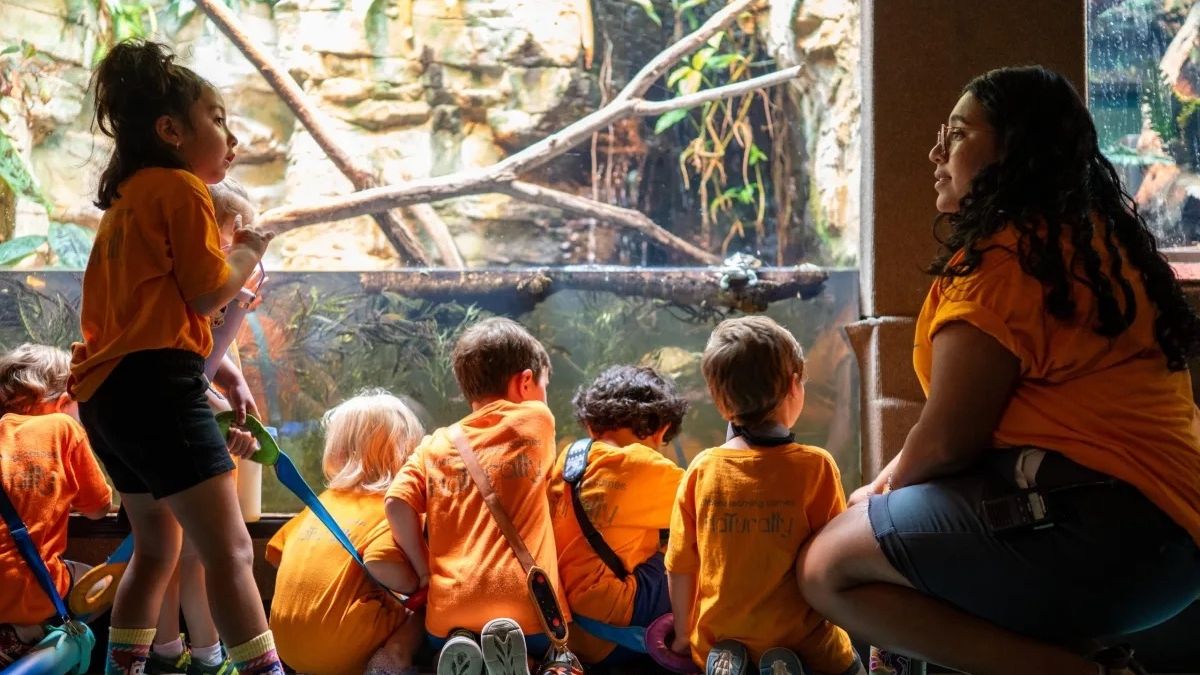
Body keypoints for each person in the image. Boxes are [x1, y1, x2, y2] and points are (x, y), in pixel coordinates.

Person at [798, 65, 1200, 675]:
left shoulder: (1007, 260)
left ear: (1015, 149)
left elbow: (948, 441)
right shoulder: (1095, 246)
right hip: (1175, 542)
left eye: (958, 134)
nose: (936, 152)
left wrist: (875, 489)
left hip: (1109, 529)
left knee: (828, 568)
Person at [69, 39, 279, 675]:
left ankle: (127, 668)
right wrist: (247, 250)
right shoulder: (182, 189)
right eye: (216, 119)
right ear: (171, 130)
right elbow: (205, 290)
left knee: (156, 547)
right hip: (158, 388)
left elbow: (153, 312)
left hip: (106, 395)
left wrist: (232, 373)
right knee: (232, 549)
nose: (229, 136)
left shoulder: (127, 203)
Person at [666, 316, 862, 675]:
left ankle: (731, 661)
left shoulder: (702, 469)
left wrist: (682, 635)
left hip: (720, 644)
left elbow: (681, 567)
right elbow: (833, 562)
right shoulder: (815, 466)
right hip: (805, 647)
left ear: (718, 401)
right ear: (794, 385)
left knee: (716, 650)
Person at [385, 317, 567, 675]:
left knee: (446, 645)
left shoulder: (435, 444)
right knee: (556, 655)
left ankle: (455, 653)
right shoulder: (536, 420)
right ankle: (527, 663)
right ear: (525, 382)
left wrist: (424, 574)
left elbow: (395, 504)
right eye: (544, 384)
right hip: (528, 615)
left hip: (448, 613)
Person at [147, 178, 262, 675]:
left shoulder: (193, 287)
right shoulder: (197, 288)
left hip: (170, 427)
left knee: (179, 557)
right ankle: (191, 656)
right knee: (189, 555)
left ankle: (191, 656)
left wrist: (231, 389)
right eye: (235, 238)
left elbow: (209, 369)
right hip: (174, 431)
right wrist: (236, 306)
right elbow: (191, 374)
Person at [267, 389, 426, 675]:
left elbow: (278, 555)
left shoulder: (318, 507)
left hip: (284, 646)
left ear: (336, 451)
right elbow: (383, 563)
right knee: (427, 610)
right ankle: (392, 659)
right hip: (345, 648)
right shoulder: (392, 508)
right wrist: (418, 583)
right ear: (407, 450)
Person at [547, 365, 687, 665]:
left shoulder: (569, 459)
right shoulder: (645, 465)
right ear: (661, 429)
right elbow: (709, 508)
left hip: (566, 617)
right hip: (614, 611)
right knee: (694, 553)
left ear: (590, 424)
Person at [0, 345, 112, 665]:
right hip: (28, 593)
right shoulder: (62, 428)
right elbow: (99, 508)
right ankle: (31, 634)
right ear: (64, 400)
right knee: (98, 583)